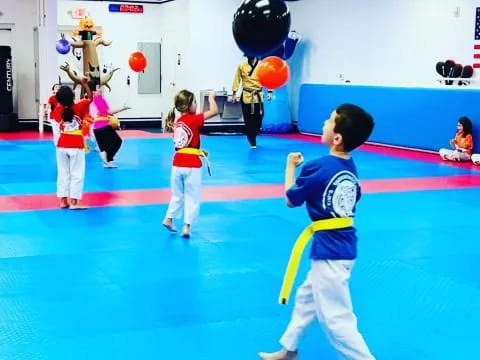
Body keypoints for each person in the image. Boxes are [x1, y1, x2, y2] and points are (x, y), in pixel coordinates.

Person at [259, 104, 376, 360]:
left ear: (336, 138)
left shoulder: (319, 167)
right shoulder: (349, 166)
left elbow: (291, 200)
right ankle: (289, 350)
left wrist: (290, 167)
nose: (324, 122)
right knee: (306, 299)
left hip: (331, 251)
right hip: (342, 246)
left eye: (329, 120)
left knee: (336, 320)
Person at [162, 90, 218, 238]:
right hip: (191, 165)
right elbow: (214, 111)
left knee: (177, 195)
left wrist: (200, 151)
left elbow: (185, 145)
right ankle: (186, 227)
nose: (197, 105)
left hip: (177, 163)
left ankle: (168, 219)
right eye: (194, 102)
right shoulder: (193, 119)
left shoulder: (178, 122)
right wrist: (211, 98)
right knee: (192, 196)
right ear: (187, 106)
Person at [52, 78, 92, 210]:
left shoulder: (58, 110)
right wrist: (84, 83)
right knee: (77, 173)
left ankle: (63, 200)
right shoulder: (79, 107)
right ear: (73, 97)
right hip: (76, 145)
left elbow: (57, 116)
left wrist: (60, 102)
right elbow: (90, 98)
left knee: (63, 172)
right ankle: (74, 202)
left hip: (62, 144)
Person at [232, 55, 272, 148]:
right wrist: (234, 93)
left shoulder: (262, 66)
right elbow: (237, 79)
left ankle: (254, 132)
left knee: (259, 117)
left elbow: (267, 78)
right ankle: (251, 139)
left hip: (258, 95)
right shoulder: (242, 66)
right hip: (247, 95)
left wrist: (270, 91)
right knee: (248, 119)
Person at [89, 83, 129, 168]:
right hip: (102, 126)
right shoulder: (99, 100)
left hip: (97, 128)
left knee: (105, 146)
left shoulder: (94, 102)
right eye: (98, 88)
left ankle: (107, 162)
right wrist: (123, 108)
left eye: (101, 88)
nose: (101, 90)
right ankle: (107, 157)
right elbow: (110, 112)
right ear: (93, 91)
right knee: (117, 141)